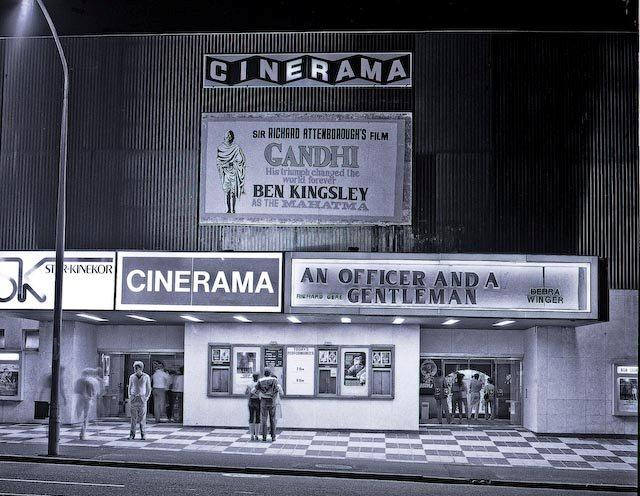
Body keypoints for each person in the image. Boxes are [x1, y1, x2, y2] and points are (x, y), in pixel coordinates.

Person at [217, 130, 246, 214]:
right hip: (226, 173)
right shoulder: (221, 148)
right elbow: (218, 161)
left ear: (232, 137)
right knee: (227, 192)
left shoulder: (236, 148)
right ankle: (228, 209)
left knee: (233, 192)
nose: (229, 137)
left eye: (230, 135)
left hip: (233, 173)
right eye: (227, 135)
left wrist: (233, 163)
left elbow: (241, 159)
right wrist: (223, 165)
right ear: (225, 137)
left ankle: (233, 209)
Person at [74, 368, 100, 440]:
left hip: (80, 399)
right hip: (87, 400)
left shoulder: (79, 381)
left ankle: (81, 430)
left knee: (79, 414)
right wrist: (91, 397)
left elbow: (76, 390)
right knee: (85, 416)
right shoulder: (90, 382)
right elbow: (94, 392)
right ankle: (82, 433)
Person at [255, 368, 279, 442]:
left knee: (264, 419)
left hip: (263, 400)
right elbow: (277, 390)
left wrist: (260, 395)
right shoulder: (274, 380)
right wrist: (273, 397)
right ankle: (273, 437)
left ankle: (264, 437)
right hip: (272, 401)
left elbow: (255, 390)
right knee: (273, 419)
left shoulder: (260, 380)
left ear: (264, 373)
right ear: (270, 373)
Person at [128, 361, 151, 440]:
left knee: (142, 418)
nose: (135, 370)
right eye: (134, 368)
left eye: (136, 368)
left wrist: (146, 398)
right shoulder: (132, 377)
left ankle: (143, 434)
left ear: (140, 368)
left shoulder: (146, 377)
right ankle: (132, 434)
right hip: (134, 398)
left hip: (142, 398)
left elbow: (148, 388)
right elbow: (129, 387)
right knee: (133, 418)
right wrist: (130, 396)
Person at [245, 372, 261, 441]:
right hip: (258, 401)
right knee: (258, 418)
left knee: (251, 417)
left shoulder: (249, 384)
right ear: (258, 377)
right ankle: (257, 435)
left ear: (253, 377)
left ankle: (251, 435)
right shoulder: (260, 384)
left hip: (251, 401)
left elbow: (246, 393)